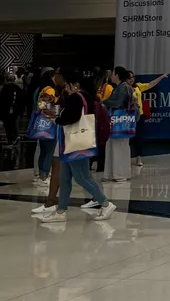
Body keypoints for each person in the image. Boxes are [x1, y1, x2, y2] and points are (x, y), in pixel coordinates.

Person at [36, 72, 116, 223]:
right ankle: (61, 211)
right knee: (65, 177)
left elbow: (69, 118)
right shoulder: (88, 98)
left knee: (81, 177)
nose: (66, 87)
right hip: (79, 142)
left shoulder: (76, 97)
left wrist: (55, 118)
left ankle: (105, 203)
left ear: (76, 85)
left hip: (75, 144)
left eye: (68, 85)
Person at [127, 71, 167, 166]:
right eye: (129, 77)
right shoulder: (124, 88)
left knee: (139, 137)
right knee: (128, 138)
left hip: (139, 115)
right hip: (128, 116)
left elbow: (150, 84)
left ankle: (138, 157)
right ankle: (126, 157)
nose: (131, 79)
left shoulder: (138, 86)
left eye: (133, 77)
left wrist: (161, 77)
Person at [102, 67, 134, 180]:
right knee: (116, 145)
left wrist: (105, 101)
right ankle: (115, 173)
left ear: (117, 75)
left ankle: (119, 174)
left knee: (118, 146)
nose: (111, 76)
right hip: (119, 121)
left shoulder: (122, 88)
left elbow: (118, 103)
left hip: (118, 120)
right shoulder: (123, 87)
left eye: (113, 74)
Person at [30, 69, 59, 188]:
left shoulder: (41, 89)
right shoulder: (50, 90)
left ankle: (41, 174)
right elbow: (47, 105)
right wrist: (57, 112)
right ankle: (44, 176)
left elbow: (38, 105)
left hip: (41, 123)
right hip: (50, 123)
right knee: (49, 151)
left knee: (42, 150)